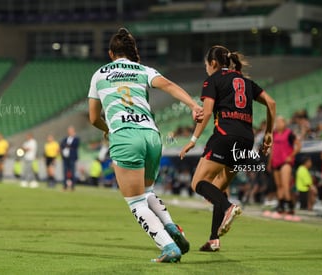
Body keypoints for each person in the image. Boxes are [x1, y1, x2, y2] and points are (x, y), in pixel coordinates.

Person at [88, 28, 203, 263]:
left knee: (136, 202)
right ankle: (170, 226)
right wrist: (193, 105)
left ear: (111, 53)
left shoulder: (99, 74)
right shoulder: (143, 70)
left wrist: (108, 129)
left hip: (125, 135)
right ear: (132, 53)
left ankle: (169, 246)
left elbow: (93, 118)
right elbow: (169, 85)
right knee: (147, 192)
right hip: (151, 135)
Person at [180, 45, 276, 252]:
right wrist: (268, 133)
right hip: (246, 140)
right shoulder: (246, 81)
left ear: (213, 63)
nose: (206, 68)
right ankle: (214, 239)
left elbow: (206, 114)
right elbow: (271, 103)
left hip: (225, 136)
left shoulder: (213, 79)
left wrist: (193, 139)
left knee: (198, 182)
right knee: (219, 187)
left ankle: (228, 208)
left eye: (206, 64)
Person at [269, 116, 301, 216]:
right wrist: (269, 162)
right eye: (276, 122)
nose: (278, 124)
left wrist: (291, 156)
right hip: (275, 162)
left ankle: (289, 205)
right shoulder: (273, 134)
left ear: (284, 123)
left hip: (285, 162)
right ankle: (281, 205)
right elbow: (272, 149)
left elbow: (298, 146)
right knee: (279, 185)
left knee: (285, 184)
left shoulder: (289, 133)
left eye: (280, 122)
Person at [60, 126, 80, 191]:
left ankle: (72, 186)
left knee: (72, 171)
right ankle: (65, 186)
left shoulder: (76, 138)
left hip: (72, 157)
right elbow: (62, 144)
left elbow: (75, 145)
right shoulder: (65, 139)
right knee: (65, 172)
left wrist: (68, 145)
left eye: (71, 131)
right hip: (65, 158)